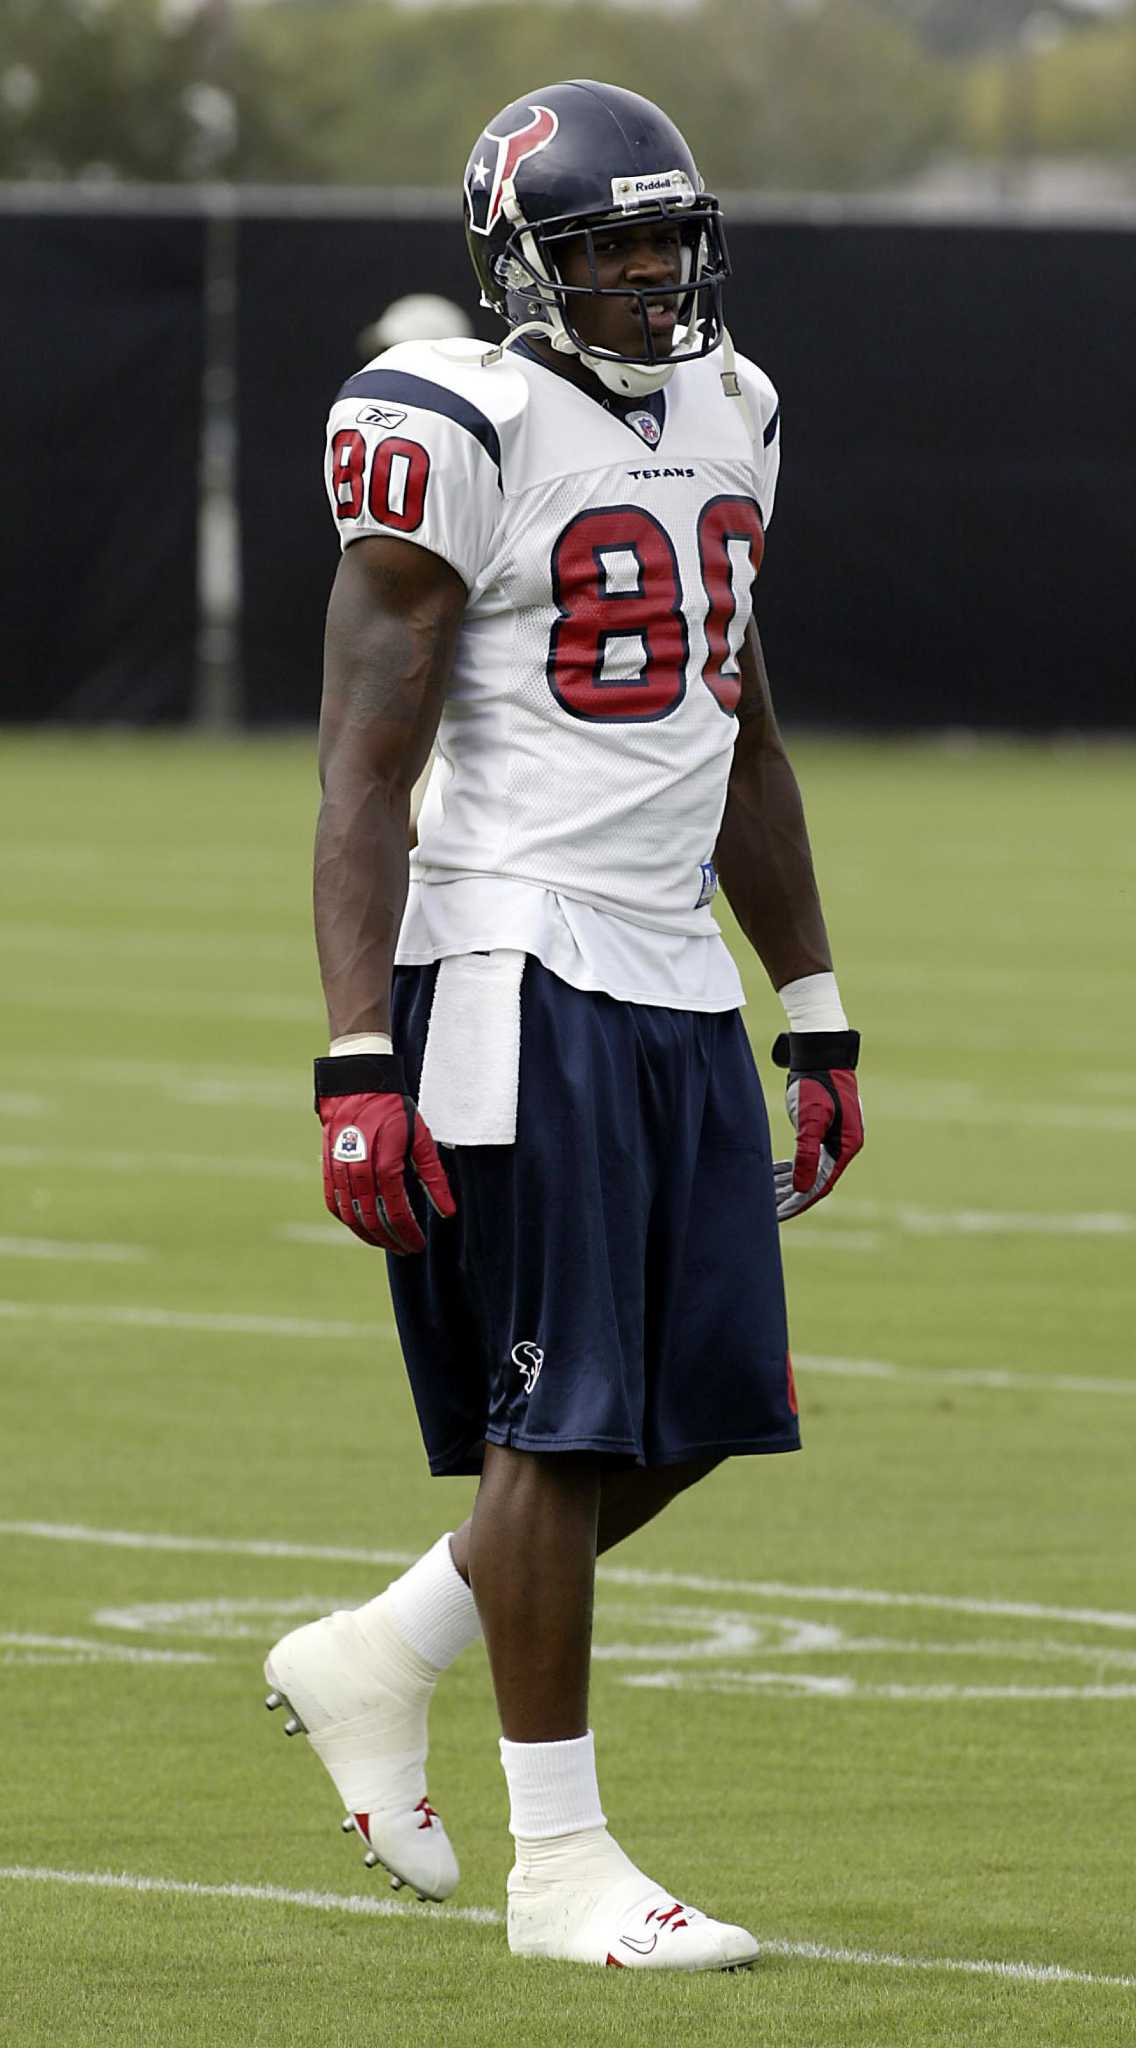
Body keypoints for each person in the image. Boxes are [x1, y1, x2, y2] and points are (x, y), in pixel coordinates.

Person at [264, 79, 864, 1972]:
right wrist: (359, 1057)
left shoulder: (739, 408)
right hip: (511, 961)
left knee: (703, 1404)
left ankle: (387, 1650)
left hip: (673, 961)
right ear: (521, 266)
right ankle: (562, 1867)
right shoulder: (458, 421)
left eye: (661, 244)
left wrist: (818, 1007)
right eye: (600, 248)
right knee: (559, 1417)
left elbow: (740, 735)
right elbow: (366, 771)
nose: (636, 279)